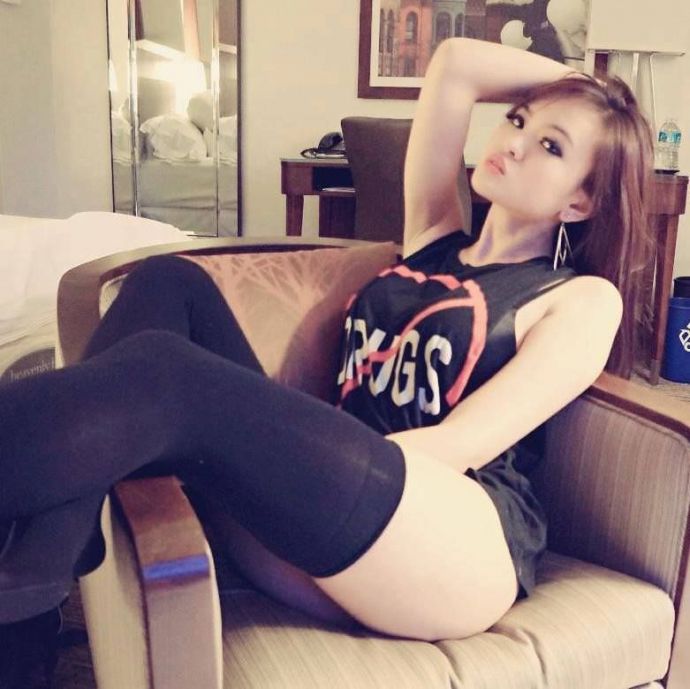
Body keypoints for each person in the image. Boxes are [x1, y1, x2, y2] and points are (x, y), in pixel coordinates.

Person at [0, 37, 653, 685]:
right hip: (339, 515)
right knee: (167, 281)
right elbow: (455, 65)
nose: (513, 142)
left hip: (454, 541)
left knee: (169, 374)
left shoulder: (581, 299)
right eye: (517, 119)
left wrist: (293, 457)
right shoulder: (433, 239)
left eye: (551, 146)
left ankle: (42, 559)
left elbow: (460, 445)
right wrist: (583, 87)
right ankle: (37, 576)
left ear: (580, 202)